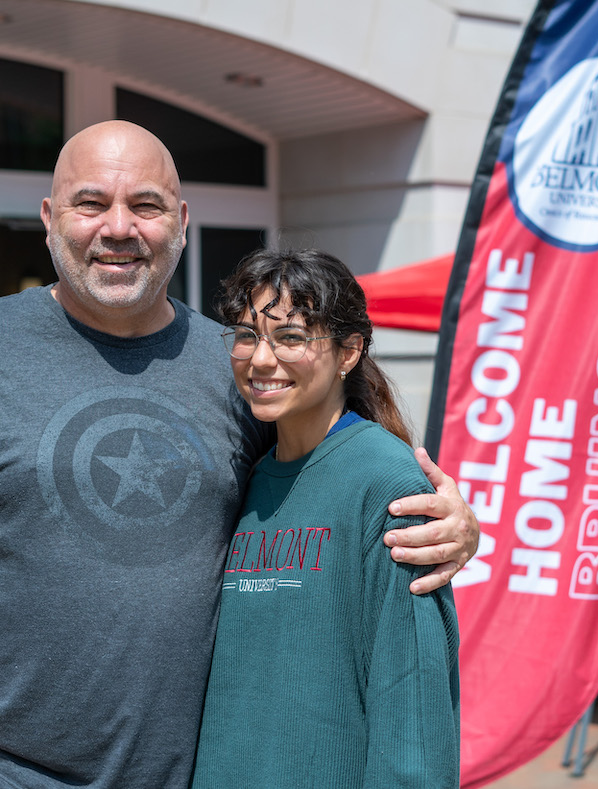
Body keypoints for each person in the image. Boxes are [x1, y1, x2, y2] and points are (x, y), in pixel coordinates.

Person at [0, 121, 479, 789]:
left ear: (182, 222)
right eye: (91, 203)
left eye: (145, 204)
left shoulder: (240, 368)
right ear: (50, 220)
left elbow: (336, 468)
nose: (119, 227)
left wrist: (451, 522)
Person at [190, 249, 459, 787]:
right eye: (247, 334)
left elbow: (413, 713)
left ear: (348, 351)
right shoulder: (247, 474)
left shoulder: (388, 486)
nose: (261, 360)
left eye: (290, 338)